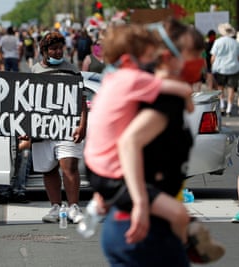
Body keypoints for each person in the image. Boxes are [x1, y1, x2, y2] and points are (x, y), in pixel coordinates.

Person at [88, 20, 224, 265]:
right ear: (168, 56)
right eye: (194, 54)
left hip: (128, 226)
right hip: (145, 232)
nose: (201, 62)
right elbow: (128, 143)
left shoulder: (138, 90)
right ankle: (187, 237)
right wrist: (138, 201)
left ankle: (186, 234)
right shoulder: (161, 98)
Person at [30, 31, 87, 224]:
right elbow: (25, 102)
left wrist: (82, 125)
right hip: (43, 128)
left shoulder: (72, 70)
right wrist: (25, 128)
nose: (57, 52)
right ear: (44, 51)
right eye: (53, 49)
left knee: (69, 165)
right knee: (48, 169)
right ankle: (55, 206)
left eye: (60, 48)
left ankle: (73, 207)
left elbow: (81, 101)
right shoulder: (34, 71)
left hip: (68, 127)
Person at [210, 23, 239, 116]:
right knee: (231, 89)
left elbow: (213, 57)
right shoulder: (235, 43)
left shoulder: (218, 42)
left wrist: (211, 66)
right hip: (233, 68)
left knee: (220, 88)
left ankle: (222, 105)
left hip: (220, 68)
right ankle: (229, 109)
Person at [0, 139, 32, 204]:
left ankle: (18, 192)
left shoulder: (22, 129)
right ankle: (3, 193)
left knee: (26, 152)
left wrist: (12, 150)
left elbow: (26, 143)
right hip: (1, 150)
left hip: (17, 149)